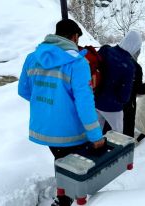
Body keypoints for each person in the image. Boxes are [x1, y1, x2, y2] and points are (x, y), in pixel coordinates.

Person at [18, 19, 104, 206]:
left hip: (44, 129)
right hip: (70, 132)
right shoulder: (77, 63)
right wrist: (96, 135)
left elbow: (24, 91)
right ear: (74, 37)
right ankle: (71, 199)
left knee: (61, 160)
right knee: (75, 168)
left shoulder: (32, 58)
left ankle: (63, 196)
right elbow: (85, 103)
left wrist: (48, 105)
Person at [95, 31, 140, 133]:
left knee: (96, 132)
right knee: (118, 135)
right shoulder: (129, 65)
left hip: (96, 101)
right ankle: (114, 148)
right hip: (113, 107)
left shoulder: (106, 50)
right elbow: (124, 96)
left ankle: (95, 147)